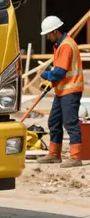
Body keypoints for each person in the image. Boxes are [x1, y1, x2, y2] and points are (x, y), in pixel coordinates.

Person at [37, 15, 84, 168]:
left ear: (55, 31)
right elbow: (58, 70)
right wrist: (49, 81)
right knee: (54, 121)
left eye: (48, 34)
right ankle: (54, 154)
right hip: (62, 90)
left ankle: (76, 157)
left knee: (70, 123)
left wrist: (44, 74)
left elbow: (58, 73)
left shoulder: (66, 46)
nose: (47, 37)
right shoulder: (59, 45)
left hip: (71, 89)